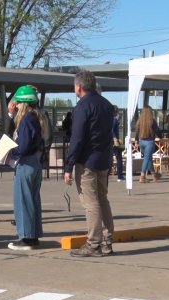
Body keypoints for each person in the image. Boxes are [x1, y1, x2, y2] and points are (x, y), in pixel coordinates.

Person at [64, 70, 114, 258]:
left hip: (87, 161)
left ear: (79, 87)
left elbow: (77, 139)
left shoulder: (82, 107)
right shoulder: (106, 105)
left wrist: (69, 166)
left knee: (90, 202)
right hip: (103, 159)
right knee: (103, 199)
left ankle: (93, 244)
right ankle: (107, 241)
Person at [7, 85, 46, 250]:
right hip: (35, 163)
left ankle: (26, 238)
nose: (15, 105)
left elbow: (23, 146)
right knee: (33, 200)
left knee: (23, 201)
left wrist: (11, 151)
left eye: (17, 102)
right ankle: (33, 235)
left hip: (26, 163)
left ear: (23, 103)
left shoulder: (26, 120)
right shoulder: (36, 118)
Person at [136, 105, 163, 183]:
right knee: (147, 159)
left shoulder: (139, 121)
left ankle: (154, 174)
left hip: (141, 141)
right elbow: (157, 131)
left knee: (148, 159)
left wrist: (137, 140)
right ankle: (142, 176)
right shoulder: (152, 121)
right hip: (149, 141)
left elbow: (137, 132)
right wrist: (160, 136)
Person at [112, 105, 125, 182]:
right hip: (114, 141)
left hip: (112, 140)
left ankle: (119, 175)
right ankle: (120, 176)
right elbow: (112, 130)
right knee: (119, 158)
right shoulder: (114, 120)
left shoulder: (109, 119)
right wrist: (115, 139)